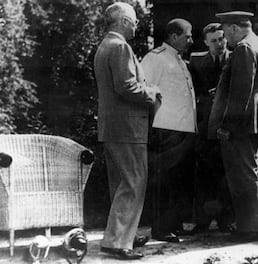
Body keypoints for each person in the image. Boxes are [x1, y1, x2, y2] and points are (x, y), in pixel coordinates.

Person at [94, 2, 161, 260]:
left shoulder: (105, 45)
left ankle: (124, 235)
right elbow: (126, 87)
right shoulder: (120, 46)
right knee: (134, 182)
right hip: (127, 126)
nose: (136, 25)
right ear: (123, 21)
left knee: (121, 182)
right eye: (133, 20)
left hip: (112, 126)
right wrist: (152, 93)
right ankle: (117, 241)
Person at [209, 11, 258, 242]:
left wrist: (227, 125)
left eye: (226, 31)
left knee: (243, 173)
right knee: (251, 171)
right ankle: (256, 224)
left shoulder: (245, 49)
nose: (225, 37)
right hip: (253, 119)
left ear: (235, 28)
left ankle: (251, 228)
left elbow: (240, 94)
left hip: (242, 121)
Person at [142, 18, 197, 243]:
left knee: (178, 180)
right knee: (163, 180)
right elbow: (146, 90)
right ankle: (161, 228)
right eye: (188, 35)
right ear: (173, 36)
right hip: (165, 129)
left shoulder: (178, 59)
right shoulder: (156, 58)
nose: (191, 40)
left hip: (183, 129)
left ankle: (173, 224)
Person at [188, 23, 234, 234]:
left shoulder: (236, 58)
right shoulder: (197, 62)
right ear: (206, 42)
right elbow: (192, 92)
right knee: (205, 174)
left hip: (229, 125)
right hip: (206, 125)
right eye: (214, 40)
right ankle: (203, 220)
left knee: (228, 174)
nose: (219, 44)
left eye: (222, 39)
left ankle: (227, 219)